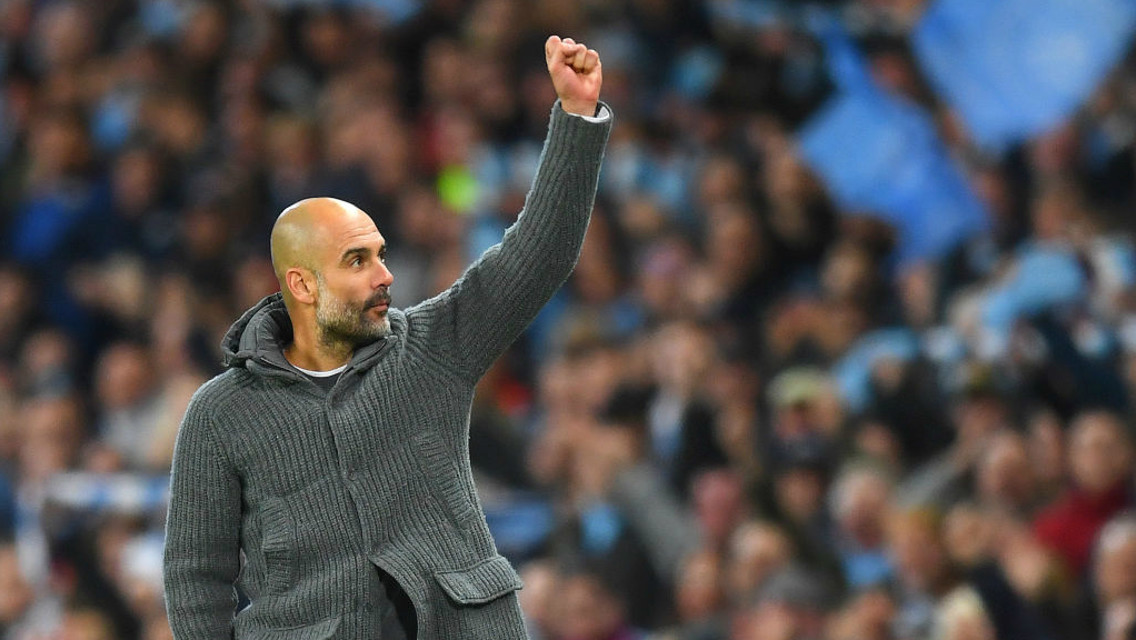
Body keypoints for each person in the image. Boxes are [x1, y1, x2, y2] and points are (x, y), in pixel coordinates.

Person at [162, 36, 611, 640]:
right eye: (357, 261)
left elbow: (539, 254)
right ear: (302, 283)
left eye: (380, 255)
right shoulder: (221, 413)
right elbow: (196, 578)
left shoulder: (430, 347)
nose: (384, 276)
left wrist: (577, 120)